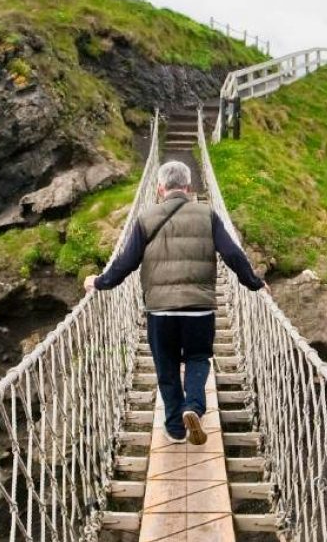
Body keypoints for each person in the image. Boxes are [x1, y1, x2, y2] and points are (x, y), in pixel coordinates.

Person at [85, 160, 264, 444]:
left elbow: (126, 263)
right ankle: (193, 406)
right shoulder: (208, 215)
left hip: (160, 310)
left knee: (166, 367)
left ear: (159, 188)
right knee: (197, 358)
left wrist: (99, 282)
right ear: (189, 187)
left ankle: (175, 428)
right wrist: (253, 283)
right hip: (200, 307)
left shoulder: (146, 219)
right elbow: (232, 254)